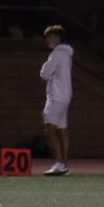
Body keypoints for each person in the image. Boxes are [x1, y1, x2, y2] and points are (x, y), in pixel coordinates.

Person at [40, 24, 74, 175]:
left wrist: (48, 73)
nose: (47, 40)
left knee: (50, 129)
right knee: (62, 130)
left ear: (56, 37)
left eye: (49, 37)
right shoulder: (67, 54)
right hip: (66, 95)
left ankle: (59, 163)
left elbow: (44, 73)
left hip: (56, 96)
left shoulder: (56, 54)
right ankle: (64, 164)